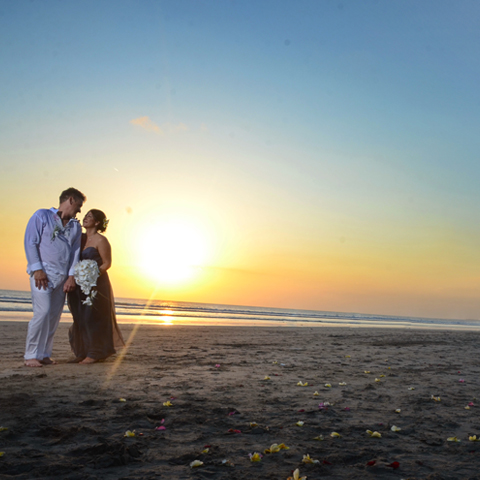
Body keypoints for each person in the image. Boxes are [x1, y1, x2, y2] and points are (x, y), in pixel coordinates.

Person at [24, 187, 86, 367]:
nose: (79, 210)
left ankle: (44, 354)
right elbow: (30, 242)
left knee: (53, 316)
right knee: (42, 312)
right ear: (71, 200)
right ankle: (31, 355)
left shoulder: (75, 226)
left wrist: (71, 276)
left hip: (62, 276)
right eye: (79, 205)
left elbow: (75, 252)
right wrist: (37, 269)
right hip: (42, 274)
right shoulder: (41, 216)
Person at [67, 209, 124, 364]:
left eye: (89, 217)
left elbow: (107, 263)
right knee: (80, 317)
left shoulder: (101, 240)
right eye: (85, 215)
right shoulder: (80, 239)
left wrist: (91, 274)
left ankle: (95, 352)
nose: (85, 218)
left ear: (97, 222)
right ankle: (83, 352)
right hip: (78, 284)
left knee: (92, 317)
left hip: (96, 284)